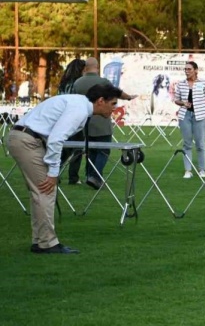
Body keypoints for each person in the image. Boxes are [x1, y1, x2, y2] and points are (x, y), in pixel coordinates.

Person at [7, 83, 124, 254]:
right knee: (45, 190)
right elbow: (56, 139)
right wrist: (53, 172)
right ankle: (47, 243)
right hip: (28, 140)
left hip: (25, 138)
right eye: (113, 103)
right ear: (100, 101)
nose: (115, 108)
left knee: (40, 192)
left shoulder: (78, 104)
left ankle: (40, 241)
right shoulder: (79, 109)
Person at [73, 57, 137, 190]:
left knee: (90, 151)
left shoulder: (77, 83)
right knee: (103, 151)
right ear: (97, 67)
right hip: (102, 120)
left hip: (85, 122)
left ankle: (90, 175)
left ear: (85, 68)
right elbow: (117, 93)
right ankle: (95, 177)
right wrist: (129, 97)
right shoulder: (103, 82)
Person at [173, 61, 205, 178]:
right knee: (187, 144)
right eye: (185, 69)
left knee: (200, 144)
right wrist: (183, 103)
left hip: (200, 116)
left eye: (189, 69)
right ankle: (188, 170)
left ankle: (201, 170)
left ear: (196, 70)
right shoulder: (181, 84)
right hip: (185, 116)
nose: (187, 71)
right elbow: (176, 100)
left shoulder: (204, 83)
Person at [58, 58, 86, 185]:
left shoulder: (64, 83)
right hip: (74, 118)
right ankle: (73, 177)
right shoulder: (78, 84)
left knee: (65, 149)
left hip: (62, 117)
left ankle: (55, 171)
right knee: (77, 147)